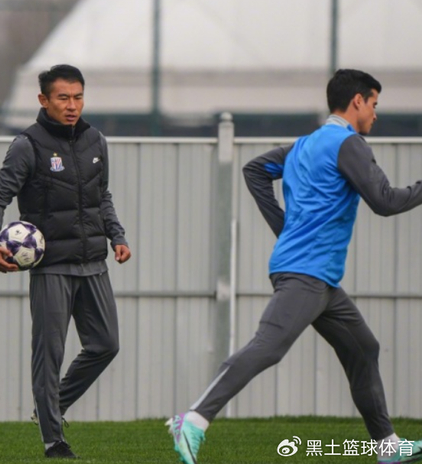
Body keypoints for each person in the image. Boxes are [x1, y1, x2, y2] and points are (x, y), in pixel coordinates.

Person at [168, 69, 422, 464]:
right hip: (307, 273)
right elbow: (385, 200)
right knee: (269, 345)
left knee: (363, 348)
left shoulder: (305, 145)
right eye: (374, 104)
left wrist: (284, 228)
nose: (376, 114)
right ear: (357, 101)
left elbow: (255, 169)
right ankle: (194, 418)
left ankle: (387, 446)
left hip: (319, 278)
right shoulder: (349, 144)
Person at [0, 64, 131, 459]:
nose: (72, 105)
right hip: (51, 268)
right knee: (49, 354)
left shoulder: (96, 140)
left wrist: (117, 236)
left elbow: (102, 197)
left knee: (106, 344)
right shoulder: (27, 145)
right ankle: (53, 440)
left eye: (78, 97)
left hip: (94, 262)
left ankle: (51, 407)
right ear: (43, 100)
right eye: (63, 98)